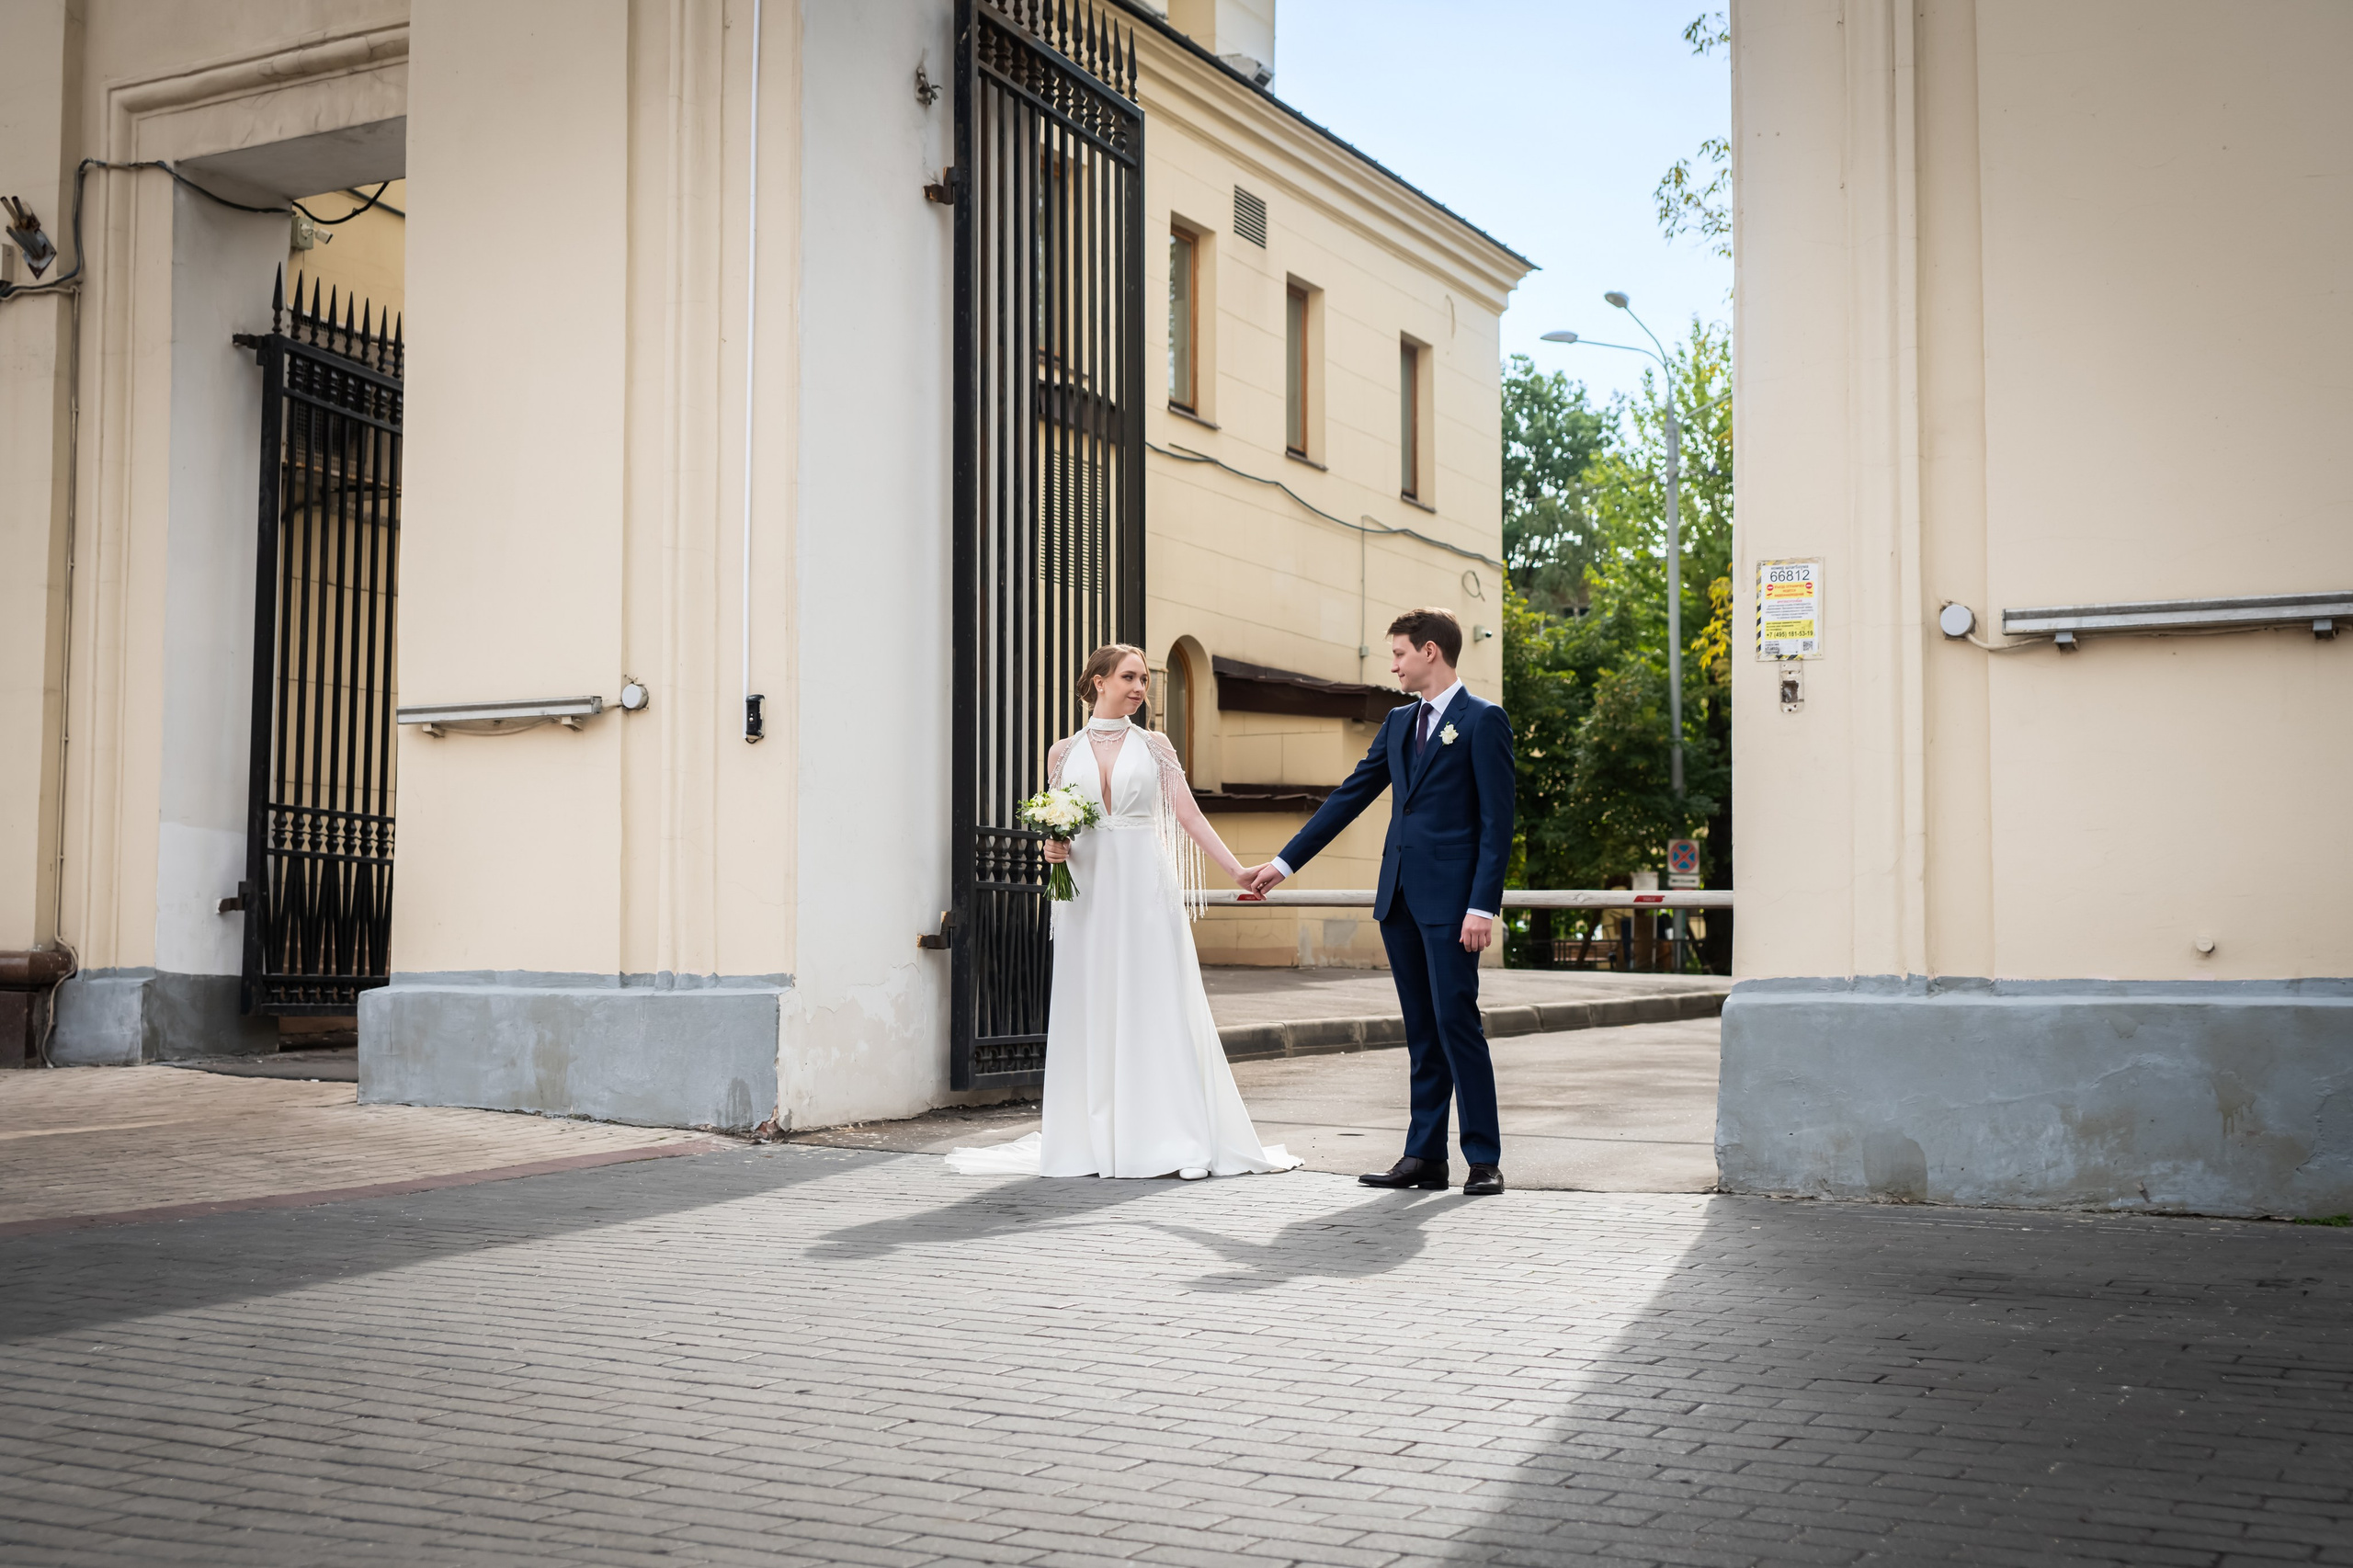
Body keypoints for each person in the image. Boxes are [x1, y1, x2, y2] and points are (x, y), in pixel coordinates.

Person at [947, 645, 1301, 1181]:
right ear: (1098, 681)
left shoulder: (1155, 746)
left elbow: (1188, 815)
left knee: (1152, 997)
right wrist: (1053, 848)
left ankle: (1163, 1132)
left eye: (1143, 680)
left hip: (1143, 887)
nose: (1140, 688)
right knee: (1089, 1000)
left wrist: (1235, 871)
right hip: (1085, 892)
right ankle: (1091, 1139)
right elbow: (1056, 825)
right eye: (1130, 677)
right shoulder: (1061, 752)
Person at [1244, 608, 1514, 1196]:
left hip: (1453, 905)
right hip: (1398, 899)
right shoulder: (1396, 723)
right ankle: (1424, 1158)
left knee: (1455, 1022)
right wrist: (1282, 864)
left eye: (1398, 653)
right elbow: (1349, 797)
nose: (1392, 663)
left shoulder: (1483, 720)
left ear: (1431, 652)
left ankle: (1483, 1158)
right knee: (1421, 1029)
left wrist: (1481, 906)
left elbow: (1498, 825)